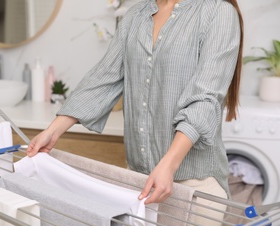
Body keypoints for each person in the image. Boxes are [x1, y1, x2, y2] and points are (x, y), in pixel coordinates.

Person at [26, 0, 243, 209]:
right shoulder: (135, 15)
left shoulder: (218, 13)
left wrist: (168, 165)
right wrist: (53, 131)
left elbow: (204, 99)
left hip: (194, 184)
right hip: (138, 180)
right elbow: (103, 78)